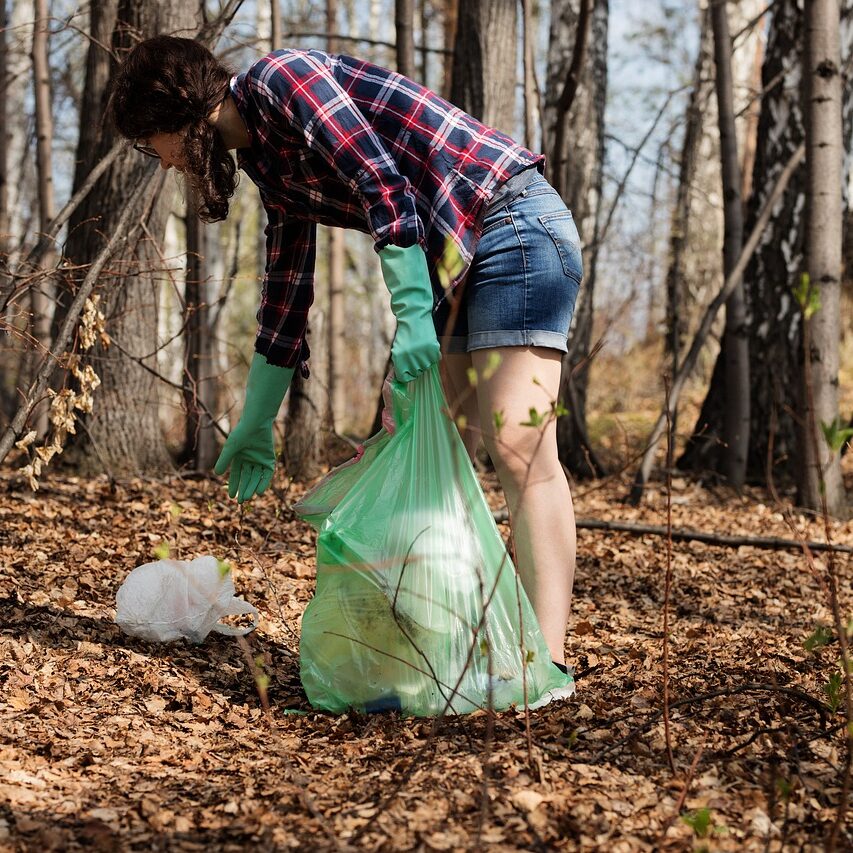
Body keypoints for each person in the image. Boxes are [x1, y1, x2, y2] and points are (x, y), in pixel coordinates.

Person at [108, 36, 582, 674]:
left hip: (511, 225)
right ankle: (449, 651)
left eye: (150, 145)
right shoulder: (267, 162)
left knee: (522, 453)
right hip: (452, 260)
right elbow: (286, 293)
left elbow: (380, 182)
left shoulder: (284, 77)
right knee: (434, 455)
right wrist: (256, 420)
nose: (162, 164)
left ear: (173, 114)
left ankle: (545, 664)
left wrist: (413, 314)